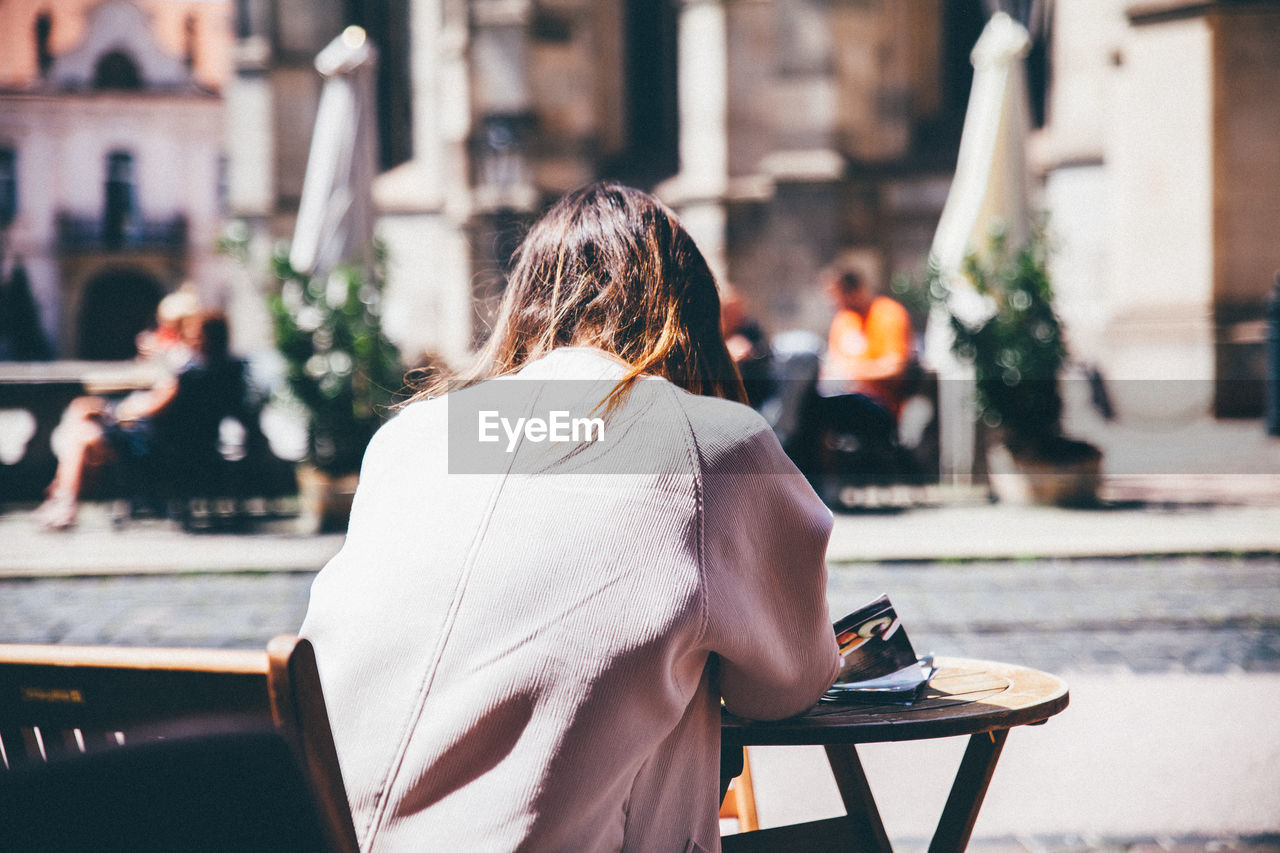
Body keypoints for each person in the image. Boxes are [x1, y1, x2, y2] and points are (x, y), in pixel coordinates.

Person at [300, 183, 841, 852]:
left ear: (521, 305)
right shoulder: (710, 442)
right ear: (690, 309)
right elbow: (787, 684)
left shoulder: (417, 433)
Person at [34, 312, 247, 530]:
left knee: (82, 430)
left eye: (195, 335)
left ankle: (64, 501)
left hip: (153, 450)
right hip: (196, 450)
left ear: (205, 338)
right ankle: (62, 497)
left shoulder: (187, 376)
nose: (190, 339)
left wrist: (114, 412)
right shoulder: (230, 372)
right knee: (84, 422)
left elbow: (153, 409)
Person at [820, 266, 914, 417]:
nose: (834, 304)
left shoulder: (888, 314)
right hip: (842, 395)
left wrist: (852, 373)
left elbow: (895, 369)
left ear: (855, 291)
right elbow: (832, 364)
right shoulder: (843, 320)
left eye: (838, 297)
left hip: (879, 401)